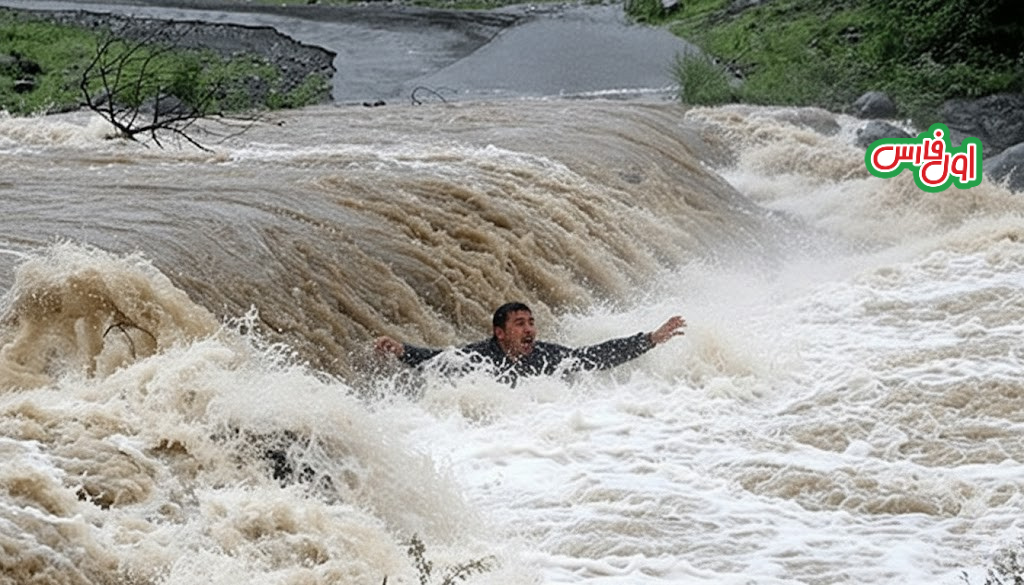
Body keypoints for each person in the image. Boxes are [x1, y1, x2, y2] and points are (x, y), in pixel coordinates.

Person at [373, 302, 686, 385]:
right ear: (500, 332)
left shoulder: (546, 355)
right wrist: (401, 350)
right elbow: (437, 361)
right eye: (520, 324)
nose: (529, 330)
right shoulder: (480, 357)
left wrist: (649, 340)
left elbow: (594, 357)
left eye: (532, 323)